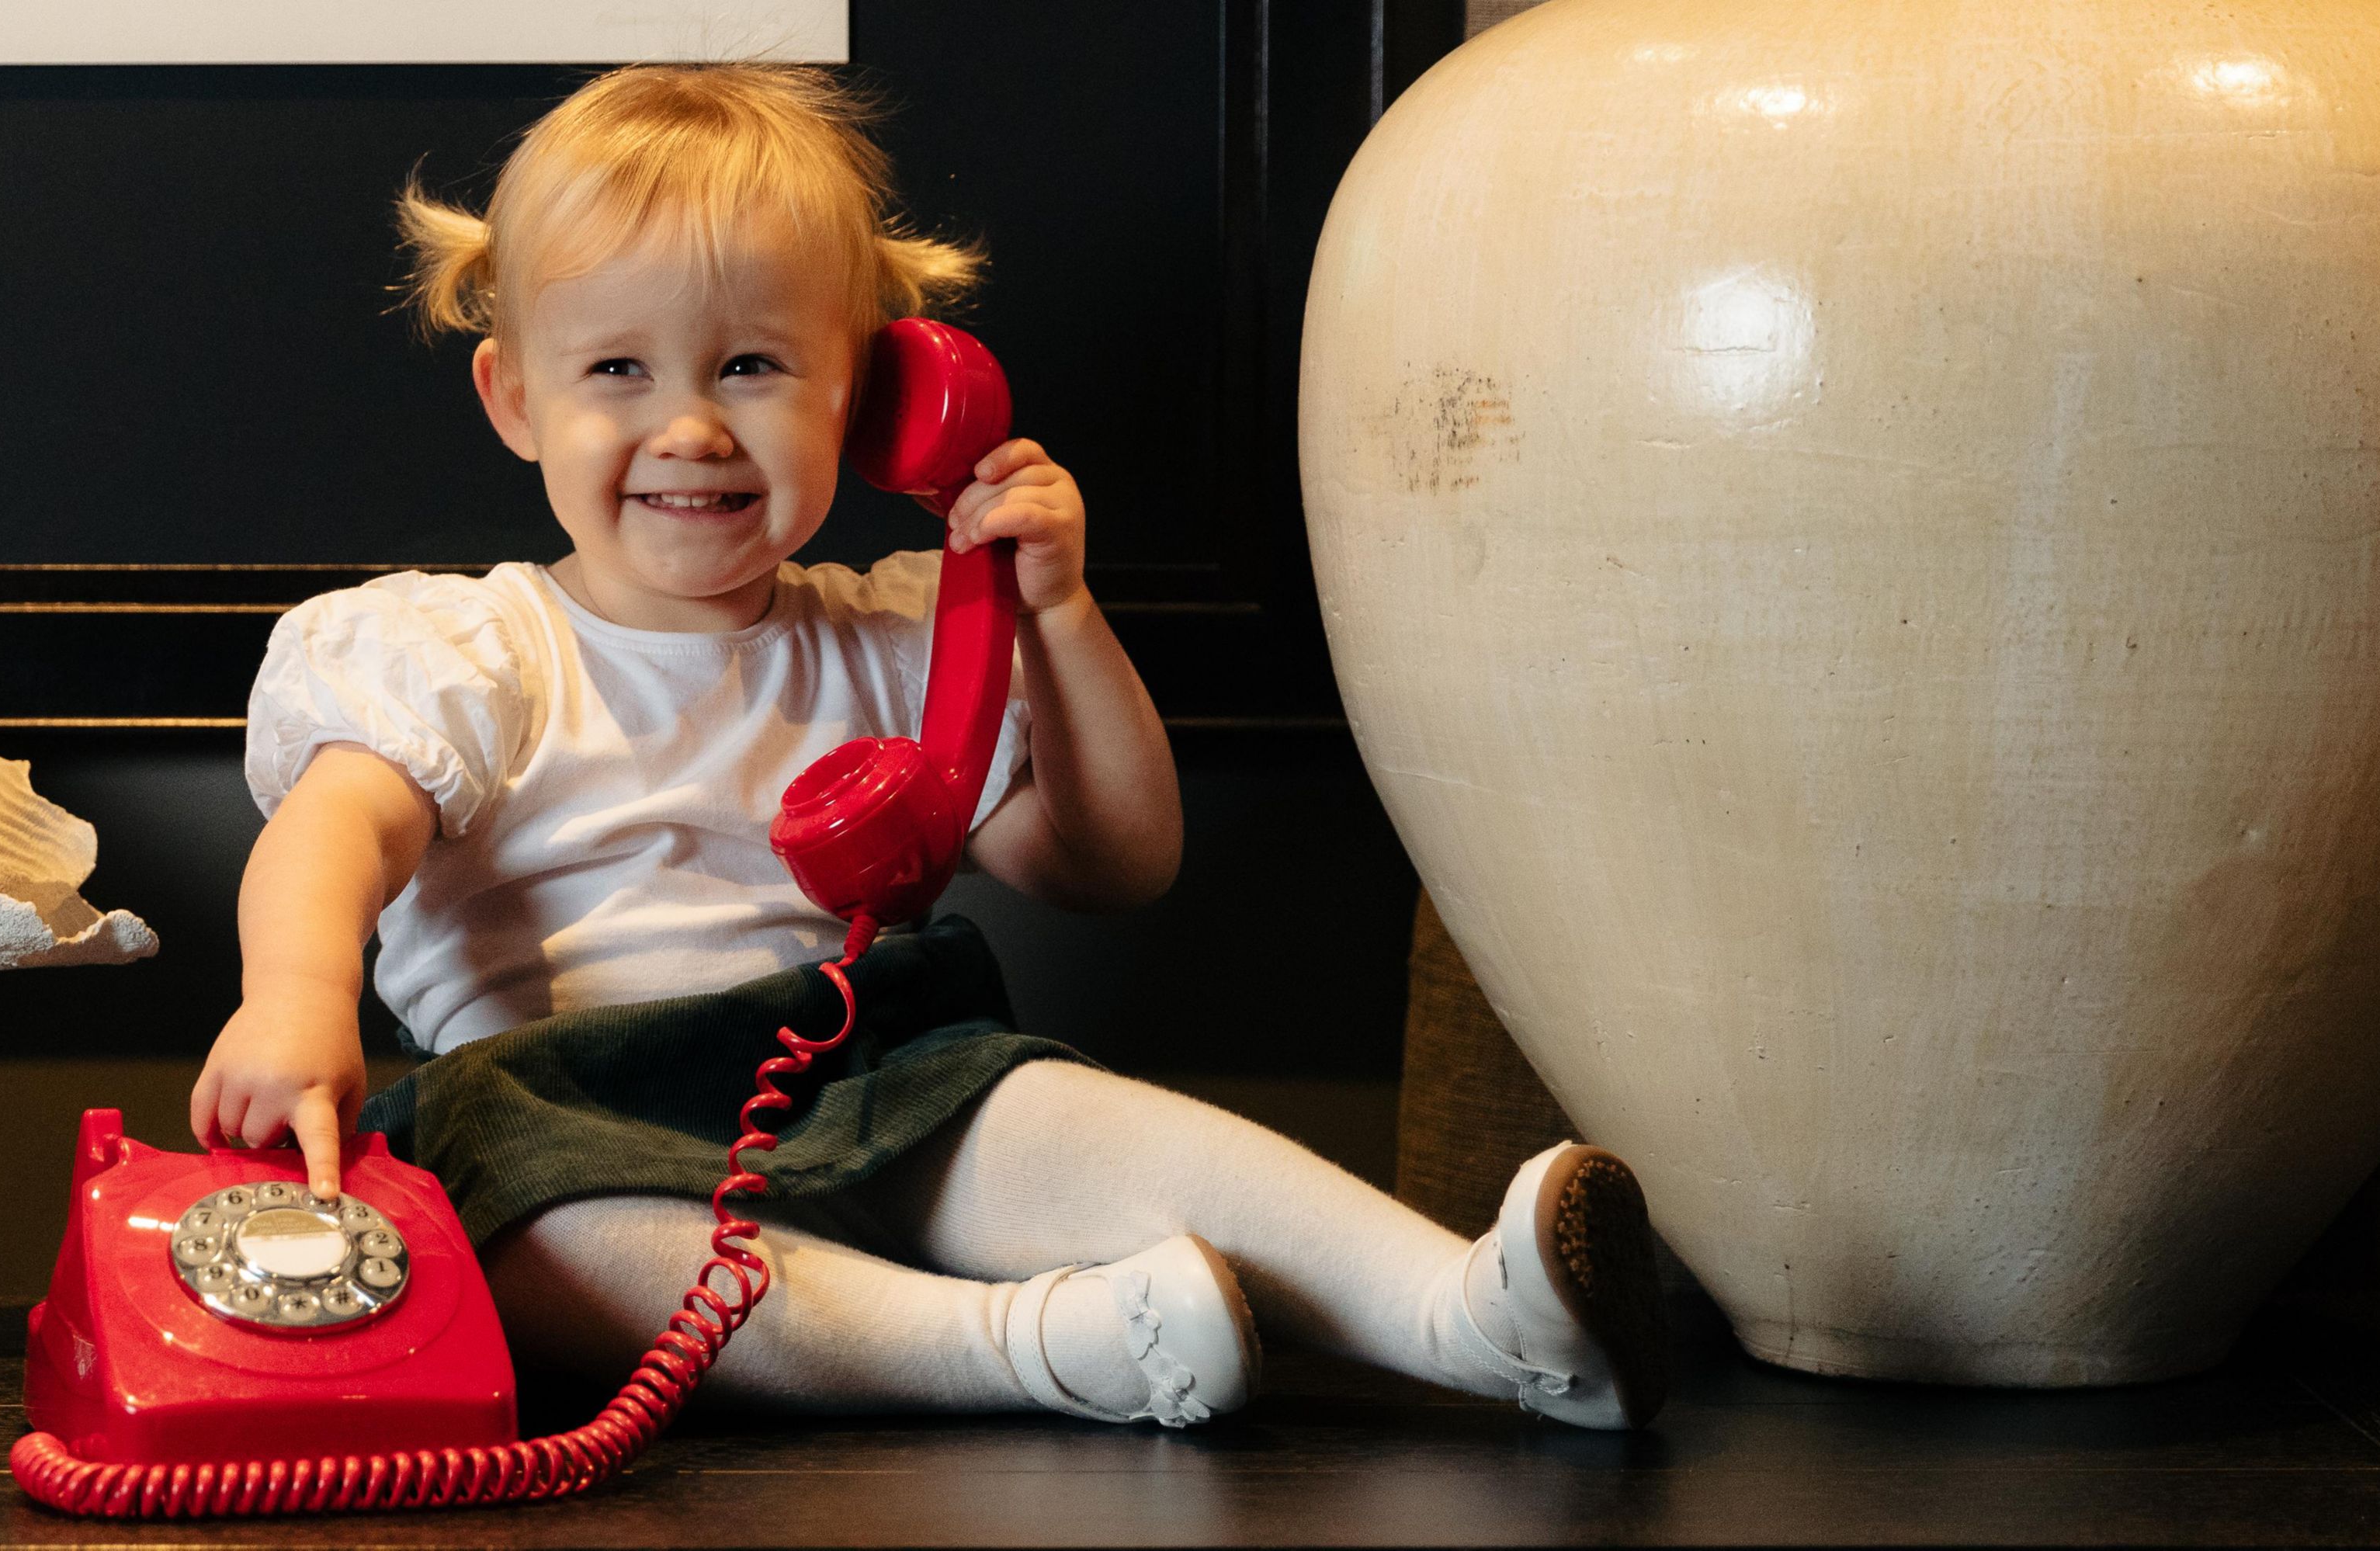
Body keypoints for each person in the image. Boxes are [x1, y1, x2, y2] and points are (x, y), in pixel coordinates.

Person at [186, 62, 1667, 1430]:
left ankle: (1471, 1309)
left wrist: (1057, 617)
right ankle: (1035, 1346)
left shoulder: (892, 640)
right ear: (517, 399)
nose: (692, 427)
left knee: (1066, 1117)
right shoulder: (469, 652)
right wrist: (294, 1003)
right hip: (567, 1105)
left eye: (756, 366)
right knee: (512, 1234)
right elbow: (338, 833)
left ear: (872, 393)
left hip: (871, 1059)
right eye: (620, 372)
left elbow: (1110, 861)